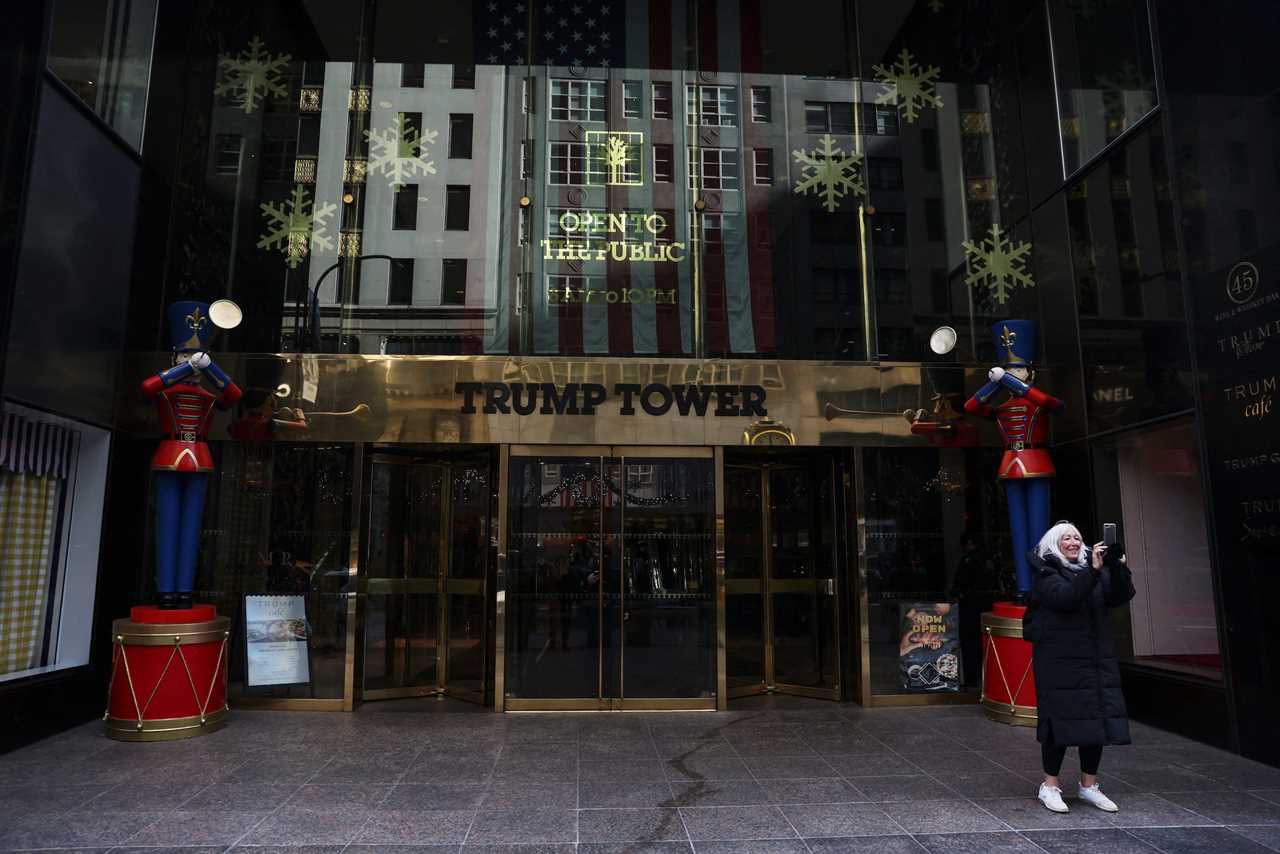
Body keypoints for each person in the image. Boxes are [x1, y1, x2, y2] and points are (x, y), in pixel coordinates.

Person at [1026, 521, 1135, 814]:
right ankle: (1049, 786)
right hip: (1058, 662)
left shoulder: (1095, 570)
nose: (1074, 542)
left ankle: (1089, 786)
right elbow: (1065, 598)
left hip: (1094, 659)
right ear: (1053, 544)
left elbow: (1120, 597)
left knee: (1094, 722)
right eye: (1066, 538)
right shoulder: (1046, 572)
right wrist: (1094, 571)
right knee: (1057, 725)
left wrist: (1118, 567)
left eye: (1078, 537)